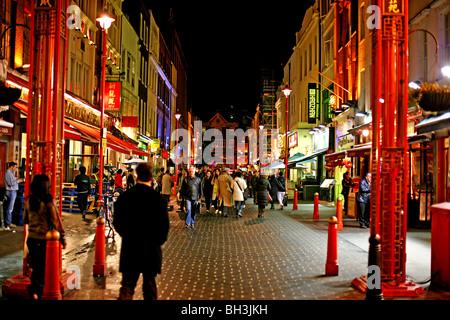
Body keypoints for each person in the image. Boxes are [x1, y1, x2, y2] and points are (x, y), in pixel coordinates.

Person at [113, 163, 169, 300]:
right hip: (151, 249)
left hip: (130, 248)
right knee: (150, 285)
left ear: (137, 176)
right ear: (151, 177)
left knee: (128, 285)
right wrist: (156, 242)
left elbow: (117, 223)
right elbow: (164, 228)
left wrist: (128, 236)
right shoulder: (158, 200)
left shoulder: (125, 197)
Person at [23, 174, 66, 300]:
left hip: (31, 238)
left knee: (36, 266)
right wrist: (62, 238)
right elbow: (55, 221)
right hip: (44, 240)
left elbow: (25, 219)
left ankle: (34, 290)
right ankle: (38, 291)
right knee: (44, 267)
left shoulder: (29, 200)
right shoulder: (48, 202)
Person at [3, 162, 23, 230]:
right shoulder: (8, 173)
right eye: (15, 167)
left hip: (12, 191)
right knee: (10, 208)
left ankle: (8, 222)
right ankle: (8, 222)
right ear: (12, 166)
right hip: (11, 191)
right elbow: (10, 183)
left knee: (10, 208)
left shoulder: (10, 173)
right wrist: (18, 181)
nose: (15, 169)